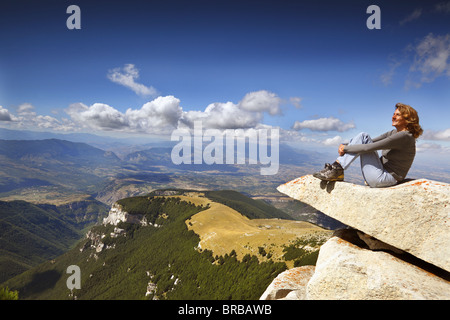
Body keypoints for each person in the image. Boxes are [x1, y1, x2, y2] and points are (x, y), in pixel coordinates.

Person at [313, 103, 423, 188]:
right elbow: (370, 141)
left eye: (397, 115)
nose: (393, 117)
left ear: (408, 119)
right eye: (393, 114)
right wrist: (345, 145)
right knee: (364, 137)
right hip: (379, 174)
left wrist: (345, 148)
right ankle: (336, 168)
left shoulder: (404, 137)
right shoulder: (394, 133)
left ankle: (336, 169)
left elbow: (368, 147)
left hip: (384, 178)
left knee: (363, 135)